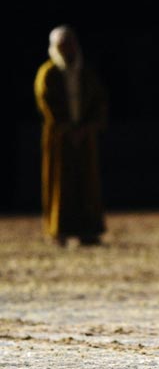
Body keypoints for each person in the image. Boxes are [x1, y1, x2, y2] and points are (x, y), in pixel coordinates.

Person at [33, 25, 108, 247]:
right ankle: (59, 230)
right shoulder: (48, 73)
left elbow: (99, 101)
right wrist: (67, 127)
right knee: (60, 183)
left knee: (86, 182)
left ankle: (88, 229)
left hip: (84, 136)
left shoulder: (85, 72)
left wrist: (88, 127)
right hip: (59, 137)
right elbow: (47, 103)